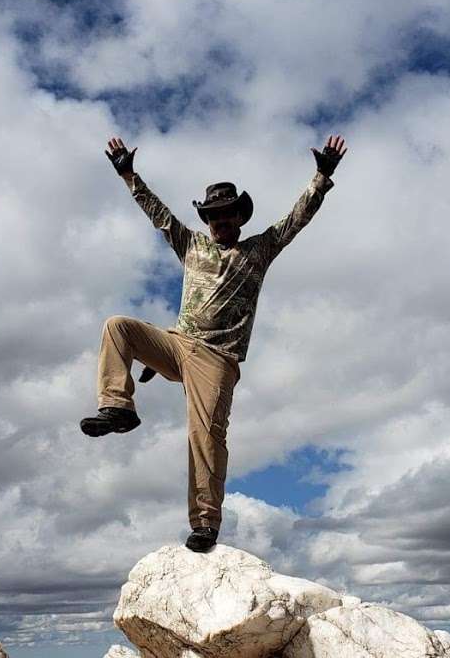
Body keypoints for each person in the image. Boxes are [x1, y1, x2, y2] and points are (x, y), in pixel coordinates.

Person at [81, 133, 348, 551]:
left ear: (238, 218)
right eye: (214, 216)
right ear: (207, 220)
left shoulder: (257, 251)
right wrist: (129, 175)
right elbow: (160, 215)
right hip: (177, 342)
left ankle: (204, 522)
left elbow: (295, 220)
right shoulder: (192, 245)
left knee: (205, 434)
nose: (221, 222)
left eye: (227, 215)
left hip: (216, 357)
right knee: (118, 326)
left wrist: (321, 177)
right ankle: (118, 408)